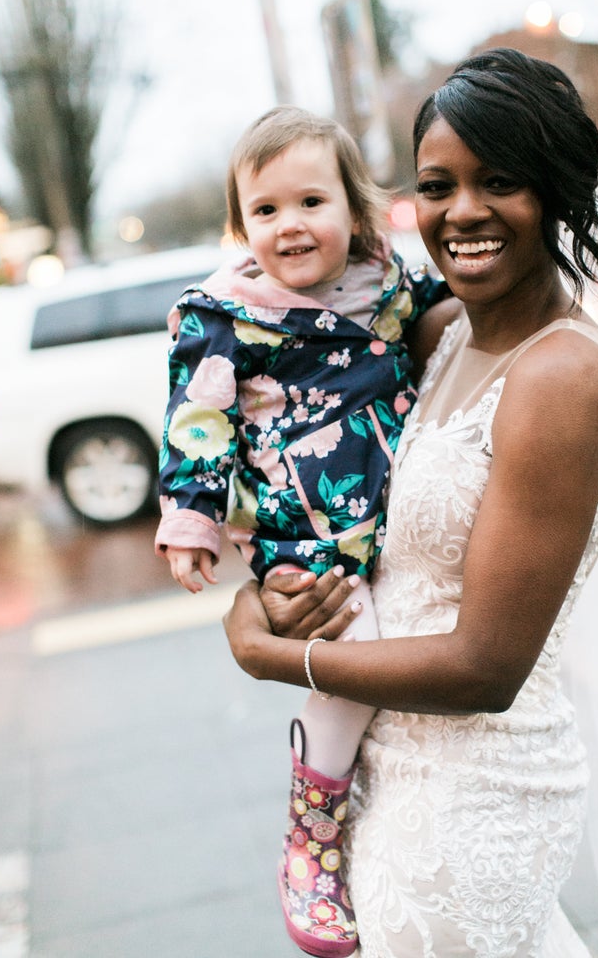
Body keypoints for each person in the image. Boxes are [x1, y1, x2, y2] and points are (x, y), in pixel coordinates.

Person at [222, 49, 598, 957]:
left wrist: (280, 656)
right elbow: (316, 472)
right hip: (386, 773)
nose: (462, 212)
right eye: (437, 185)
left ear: (560, 192)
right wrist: (268, 585)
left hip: (476, 798)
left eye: (500, 181)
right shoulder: (442, 334)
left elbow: (485, 667)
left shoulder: (563, 377)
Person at [155, 105, 448, 956]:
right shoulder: (225, 314)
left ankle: (373, 818)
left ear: (354, 210)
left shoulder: (388, 285)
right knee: (355, 661)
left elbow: (453, 315)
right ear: (241, 224)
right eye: (266, 210)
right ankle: (312, 835)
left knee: (407, 647)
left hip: (396, 515)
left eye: (311, 201)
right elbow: (196, 421)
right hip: (304, 531)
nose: (290, 226)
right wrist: (192, 522)